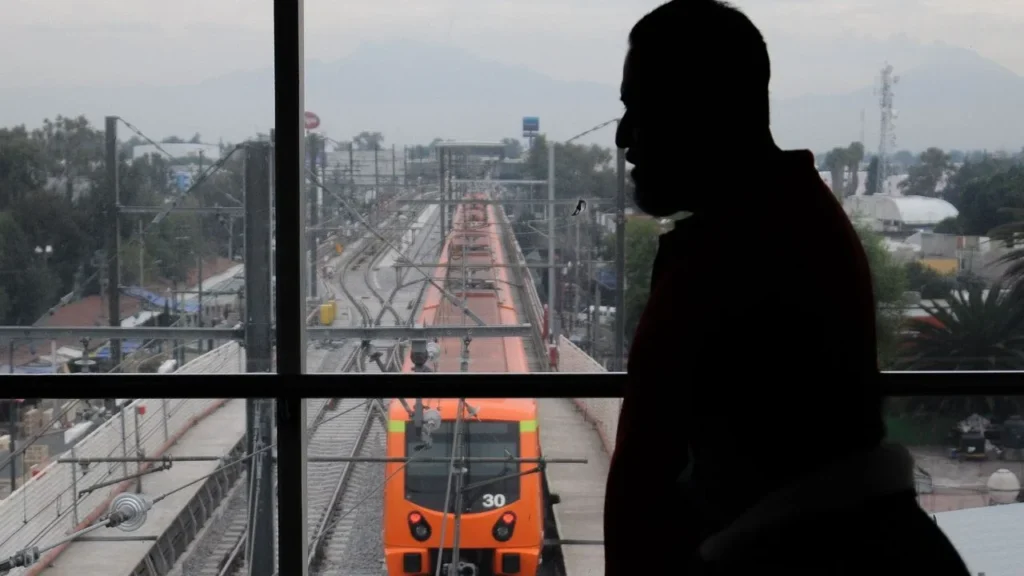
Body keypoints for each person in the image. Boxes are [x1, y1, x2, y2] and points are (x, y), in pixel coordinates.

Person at [604, 1, 970, 575]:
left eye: (640, 108)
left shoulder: (736, 257)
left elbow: (651, 469)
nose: (624, 136)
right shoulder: (795, 225)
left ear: (704, 110)